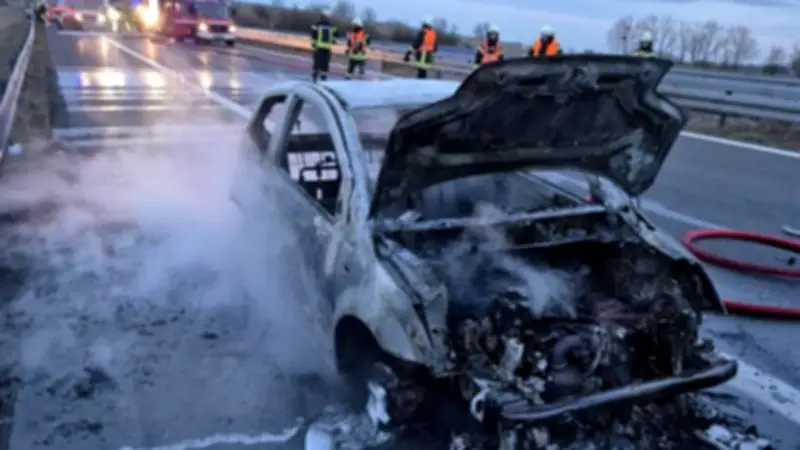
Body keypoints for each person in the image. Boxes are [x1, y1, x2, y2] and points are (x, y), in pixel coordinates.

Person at [310, 9, 336, 82]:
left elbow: (313, 34)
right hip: (326, 48)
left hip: (320, 47)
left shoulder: (317, 24)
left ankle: (316, 77)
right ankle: (323, 78)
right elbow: (336, 34)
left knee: (318, 62)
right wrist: (333, 40)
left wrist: (314, 43)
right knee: (325, 63)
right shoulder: (331, 26)